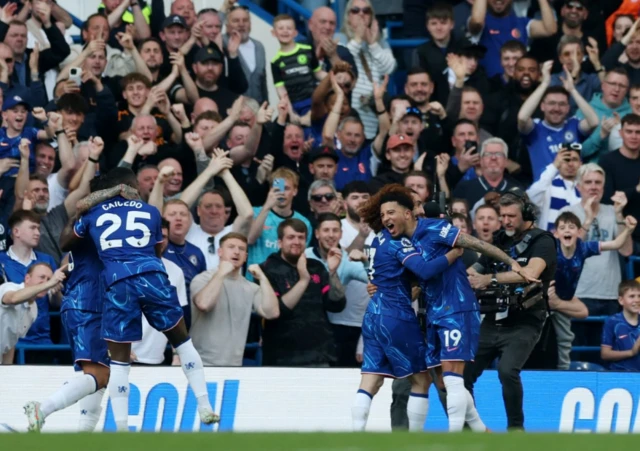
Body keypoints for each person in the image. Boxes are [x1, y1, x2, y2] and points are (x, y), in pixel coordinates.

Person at [53, 167, 219, 431]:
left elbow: (65, 242)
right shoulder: (151, 212)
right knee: (183, 342)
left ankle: (121, 431)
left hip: (117, 283)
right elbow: (157, 248)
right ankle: (205, 405)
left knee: (119, 363)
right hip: (151, 275)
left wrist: (88, 205)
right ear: (131, 186)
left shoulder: (93, 213)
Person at [23, 178, 137, 431]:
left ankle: (82, 438)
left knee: (99, 375)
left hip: (87, 301)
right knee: (99, 374)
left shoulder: (90, 219)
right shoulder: (106, 220)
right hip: (90, 303)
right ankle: (43, 408)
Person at [354, 185, 464, 432]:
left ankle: (357, 437)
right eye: (385, 214)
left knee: (371, 381)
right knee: (421, 380)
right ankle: (413, 440)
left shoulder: (380, 237)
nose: (386, 219)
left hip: (376, 314)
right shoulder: (398, 241)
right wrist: (453, 255)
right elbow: (423, 271)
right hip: (399, 315)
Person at [466, 189, 557, 430]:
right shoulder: (499, 240)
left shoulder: (543, 241)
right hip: (492, 318)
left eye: (511, 216)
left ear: (526, 214)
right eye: (502, 215)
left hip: (525, 320)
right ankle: (471, 428)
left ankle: (516, 430)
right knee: (462, 374)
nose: (505, 221)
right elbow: (475, 269)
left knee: (507, 371)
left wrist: (490, 279)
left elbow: (533, 273)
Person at [551, 211, 636, 370]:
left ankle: (562, 371)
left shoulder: (583, 248)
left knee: (567, 334)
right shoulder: (551, 248)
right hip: (546, 297)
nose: (567, 230)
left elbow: (616, 244)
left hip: (564, 300)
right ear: (556, 233)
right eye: (562, 228)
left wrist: (628, 230)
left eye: (571, 227)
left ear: (579, 232)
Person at [259, 218, 346, 367]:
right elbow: (279, 311)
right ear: (279, 242)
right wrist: (303, 280)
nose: (296, 242)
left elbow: (336, 305)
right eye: (291, 237)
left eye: (301, 237)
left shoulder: (316, 266)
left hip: (320, 353)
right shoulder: (266, 269)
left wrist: (332, 272)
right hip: (281, 356)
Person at [190, 232, 279, 366]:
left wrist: (263, 278)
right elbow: (204, 304)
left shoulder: (251, 288)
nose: (236, 252)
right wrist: (221, 273)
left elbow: (271, 313)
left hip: (234, 366)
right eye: (231, 247)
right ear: (220, 252)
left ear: (246, 257)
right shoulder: (203, 279)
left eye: (242, 249)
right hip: (200, 363)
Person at [517, 60, 599, 181]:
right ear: (542, 106)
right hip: (543, 194)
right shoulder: (535, 128)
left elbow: (594, 122)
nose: (556, 108)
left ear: (567, 108)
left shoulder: (574, 125)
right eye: (551, 103)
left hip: (572, 193)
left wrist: (572, 90)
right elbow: (522, 117)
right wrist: (544, 84)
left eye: (561, 104)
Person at [468, 0, 557, 78]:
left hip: (518, 85)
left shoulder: (522, 23)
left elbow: (550, 29)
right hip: (489, 87)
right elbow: (477, 21)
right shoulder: (481, 22)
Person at [0, 263, 64, 365]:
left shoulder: (33, 310)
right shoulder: (10, 287)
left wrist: (8, 368)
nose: (46, 282)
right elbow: (12, 298)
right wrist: (49, 284)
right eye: (42, 277)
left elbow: (11, 341)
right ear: (27, 278)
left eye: (48, 279)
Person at [271, 14, 326, 117]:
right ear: (274, 33)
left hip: (314, 101)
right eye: (281, 28)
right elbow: (281, 89)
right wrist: (291, 113)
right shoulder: (275, 62)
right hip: (295, 105)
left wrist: (333, 77)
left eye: (289, 28)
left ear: (295, 33)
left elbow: (318, 72)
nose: (285, 31)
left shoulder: (307, 50)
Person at [599, 113, 640, 246]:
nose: (634, 136)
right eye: (629, 131)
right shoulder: (607, 161)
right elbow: (606, 200)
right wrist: (636, 190)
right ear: (621, 133)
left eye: (638, 132)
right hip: (620, 233)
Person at [527, 143, 582, 231]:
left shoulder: (585, 188)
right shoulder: (548, 186)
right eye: (566, 159)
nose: (570, 164)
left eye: (574, 160)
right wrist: (554, 166)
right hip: (549, 242)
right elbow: (531, 197)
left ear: (580, 164)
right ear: (559, 162)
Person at [601, 280, 640, 371]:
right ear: (621, 300)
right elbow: (605, 354)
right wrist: (631, 352)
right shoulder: (612, 321)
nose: (637, 300)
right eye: (632, 296)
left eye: (639, 296)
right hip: (620, 375)